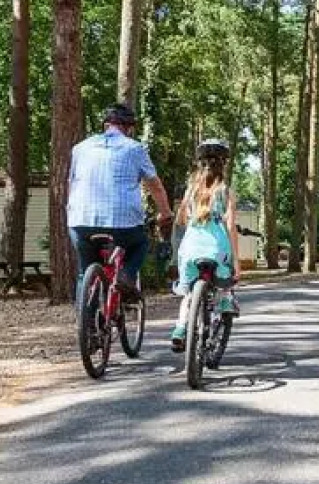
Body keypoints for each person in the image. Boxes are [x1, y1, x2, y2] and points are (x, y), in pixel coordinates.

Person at [67, 104, 172, 298]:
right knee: (140, 243)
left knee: (85, 271)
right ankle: (126, 276)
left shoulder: (79, 149)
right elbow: (155, 185)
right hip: (122, 224)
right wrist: (165, 213)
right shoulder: (134, 148)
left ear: (105, 125)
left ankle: (84, 321)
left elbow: (71, 184)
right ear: (129, 128)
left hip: (80, 221)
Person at [170, 138, 241, 351]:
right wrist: (237, 261)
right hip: (216, 247)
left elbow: (180, 221)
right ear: (223, 165)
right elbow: (230, 226)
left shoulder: (190, 191)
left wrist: (176, 251)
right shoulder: (226, 191)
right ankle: (225, 301)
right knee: (225, 276)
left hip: (190, 247)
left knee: (190, 294)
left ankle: (181, 328)